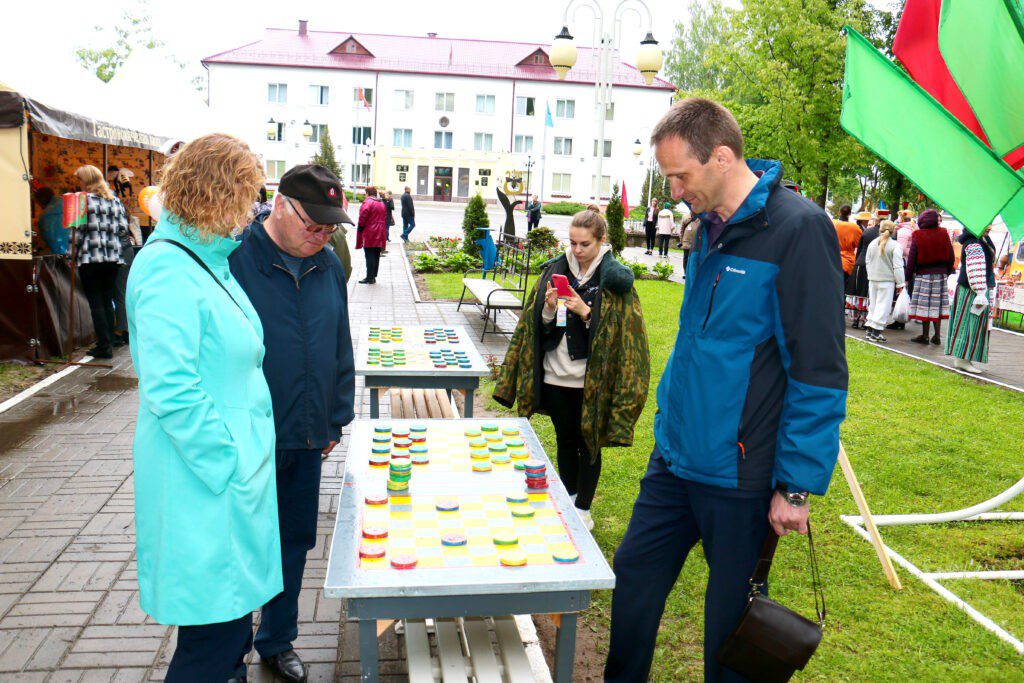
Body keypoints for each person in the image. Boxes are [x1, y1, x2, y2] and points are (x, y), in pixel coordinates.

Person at [604, 98, 847, 682]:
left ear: (720, 157)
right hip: (676, 459)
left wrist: (796, 486)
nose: (673, 191)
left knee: (728, 631)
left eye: (679, 176)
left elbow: (818, 370)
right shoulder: (706, 230)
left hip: (741, 476)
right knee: (634, 576)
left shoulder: (798, 229)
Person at [126, 133, 281, 682]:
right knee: (211, 645)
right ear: (218, 195)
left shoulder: (204, 259)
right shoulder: (170, 267)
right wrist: (230, 463)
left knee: (229, 631)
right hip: (206, 485)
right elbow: (171, 388)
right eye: (248, 197)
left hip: (226, 484)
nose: (252, 213)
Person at [230, 164, 356, 682]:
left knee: (293, 543)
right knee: (240, 547)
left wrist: (335, 417)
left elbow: (338, 343)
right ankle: (228, 653)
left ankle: (277, 640)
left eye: (330, 228)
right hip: (247, 439)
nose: (322, 236)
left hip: (306, 435)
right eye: (314, 225)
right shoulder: (236, 261)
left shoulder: (326, 265)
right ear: (281, 206)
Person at [494, 206, 649, 531]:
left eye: (585, 244)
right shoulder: (555, 271)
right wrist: (549, 310)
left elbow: (623, 337)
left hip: (590, 382)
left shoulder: (614, 281)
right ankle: (570, 496)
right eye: (573, 243)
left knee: (588, 443)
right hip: (555, 376)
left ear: (601, 241)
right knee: (565, 440)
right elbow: (538, 328)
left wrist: (586, 312)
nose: (577, 251)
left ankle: (584, 509)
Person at [73, 165, 127, 359]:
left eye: (79, 180)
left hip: (90, 257)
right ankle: (110, 341)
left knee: (96, 303)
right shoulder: (115, 201)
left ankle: (104, 346)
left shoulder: (82, 201)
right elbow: (123, 229)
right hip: (113, 257)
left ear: (86, 181)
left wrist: (72, 250)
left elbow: (77, 233)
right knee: (107, 301)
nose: (78, 183)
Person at [946, 226, 996, 373]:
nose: (990, 227)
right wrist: (980, 292)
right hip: (973, 290)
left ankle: (963, 358)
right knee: (968, 323)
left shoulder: (980, 240)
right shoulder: (974, 243)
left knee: (970, 323)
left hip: (973, 289)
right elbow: (975, 271)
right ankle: (962, 358)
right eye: (987, 224)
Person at [906, 208, 955, 344]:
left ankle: (925, 335)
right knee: (936, 306)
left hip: (923, 275)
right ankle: (937, 336)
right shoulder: (944, 233)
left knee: (925, 306)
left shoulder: (918, 235)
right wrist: (947, 271)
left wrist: (907, 277)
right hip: (940, 274)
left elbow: (912, 258)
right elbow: (951, 256)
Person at [864, 220, 905, 343]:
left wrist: (870, 274)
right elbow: (898, 266)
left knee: (874, 304)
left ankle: (870, 328)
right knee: (883, 306)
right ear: (893, 231)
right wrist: (901, 283)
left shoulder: (872, 243)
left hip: (873, 278)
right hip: (887, 280)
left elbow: (867, 261)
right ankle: (876, 331)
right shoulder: (895, 246)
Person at [845, 211, 876, 329]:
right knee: (865, 293)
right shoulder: (863, 230)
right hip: (869, 264)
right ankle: (863, 319)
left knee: (858, 292)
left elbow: (859, 250)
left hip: (860, 262)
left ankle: (856, 319)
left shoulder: (866, 231)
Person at [112, 212, 137, 347]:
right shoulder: (120, 216)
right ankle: (126, 329)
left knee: (119, 294)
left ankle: (119, 331)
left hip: (121, 255)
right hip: (127, 252)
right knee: (124, 293)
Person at [356, 186, 387, 284]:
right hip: (380, 231)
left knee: (369, 254)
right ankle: (373, 275)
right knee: (376, 254)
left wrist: (361, 226)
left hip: (370, 231)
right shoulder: (381, 203)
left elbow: (363, 216)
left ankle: (369, 277)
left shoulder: (368, 202)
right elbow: (385, 217)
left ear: (367, 193)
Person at [33, 187, 68, 255]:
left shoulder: (45, 217)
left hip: (60, 254)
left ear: (40, 202)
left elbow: (47, 240)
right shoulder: (66, 202)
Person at [833, 204, 862, 280]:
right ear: (850, 214)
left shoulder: (831, 223)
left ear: (839, 212)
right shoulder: (854, 228)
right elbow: (859, 244)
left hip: (831, 257)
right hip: (847, 261)